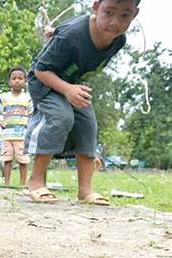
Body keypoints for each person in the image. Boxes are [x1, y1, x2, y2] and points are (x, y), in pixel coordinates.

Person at [24, 0, 140, 205]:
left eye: (125, 15)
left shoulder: (119, 40)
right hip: (43, 81)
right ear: (96, 7)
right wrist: (67, 90)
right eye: (109, 12)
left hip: (71, 84)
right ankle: (36, 181)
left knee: (88, 124)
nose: (114, 22)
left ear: (135, 14)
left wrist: (71, 88)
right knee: (61, 116)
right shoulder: (73, 35)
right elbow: (41, 70)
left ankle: (85, 190)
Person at [0, 67, 32, 186]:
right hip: (7, 135)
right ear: (9, 81)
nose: (17, 81)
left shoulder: (28, 98)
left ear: (25, 81)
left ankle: (23, 185)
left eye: (20, 78)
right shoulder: (4, 97)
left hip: (22, 136)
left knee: (23, 161)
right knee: (7, 160)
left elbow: (33, 113)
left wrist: (29, 125)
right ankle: (6, 184)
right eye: (14, 78)